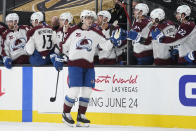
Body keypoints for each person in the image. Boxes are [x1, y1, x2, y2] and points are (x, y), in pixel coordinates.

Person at [52, 10, 116, 127]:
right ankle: (66, 113)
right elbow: (64, 46)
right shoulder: (73, 30)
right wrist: (57, 56)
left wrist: (113, 40)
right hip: (75, 65)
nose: (90, 20)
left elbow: (106, 46)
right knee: (74, 91)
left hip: (89, 65)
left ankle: (81, 116)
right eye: (87, 18)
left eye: (91, 18)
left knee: (87, 91)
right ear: (82, 19)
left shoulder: (96, 32)